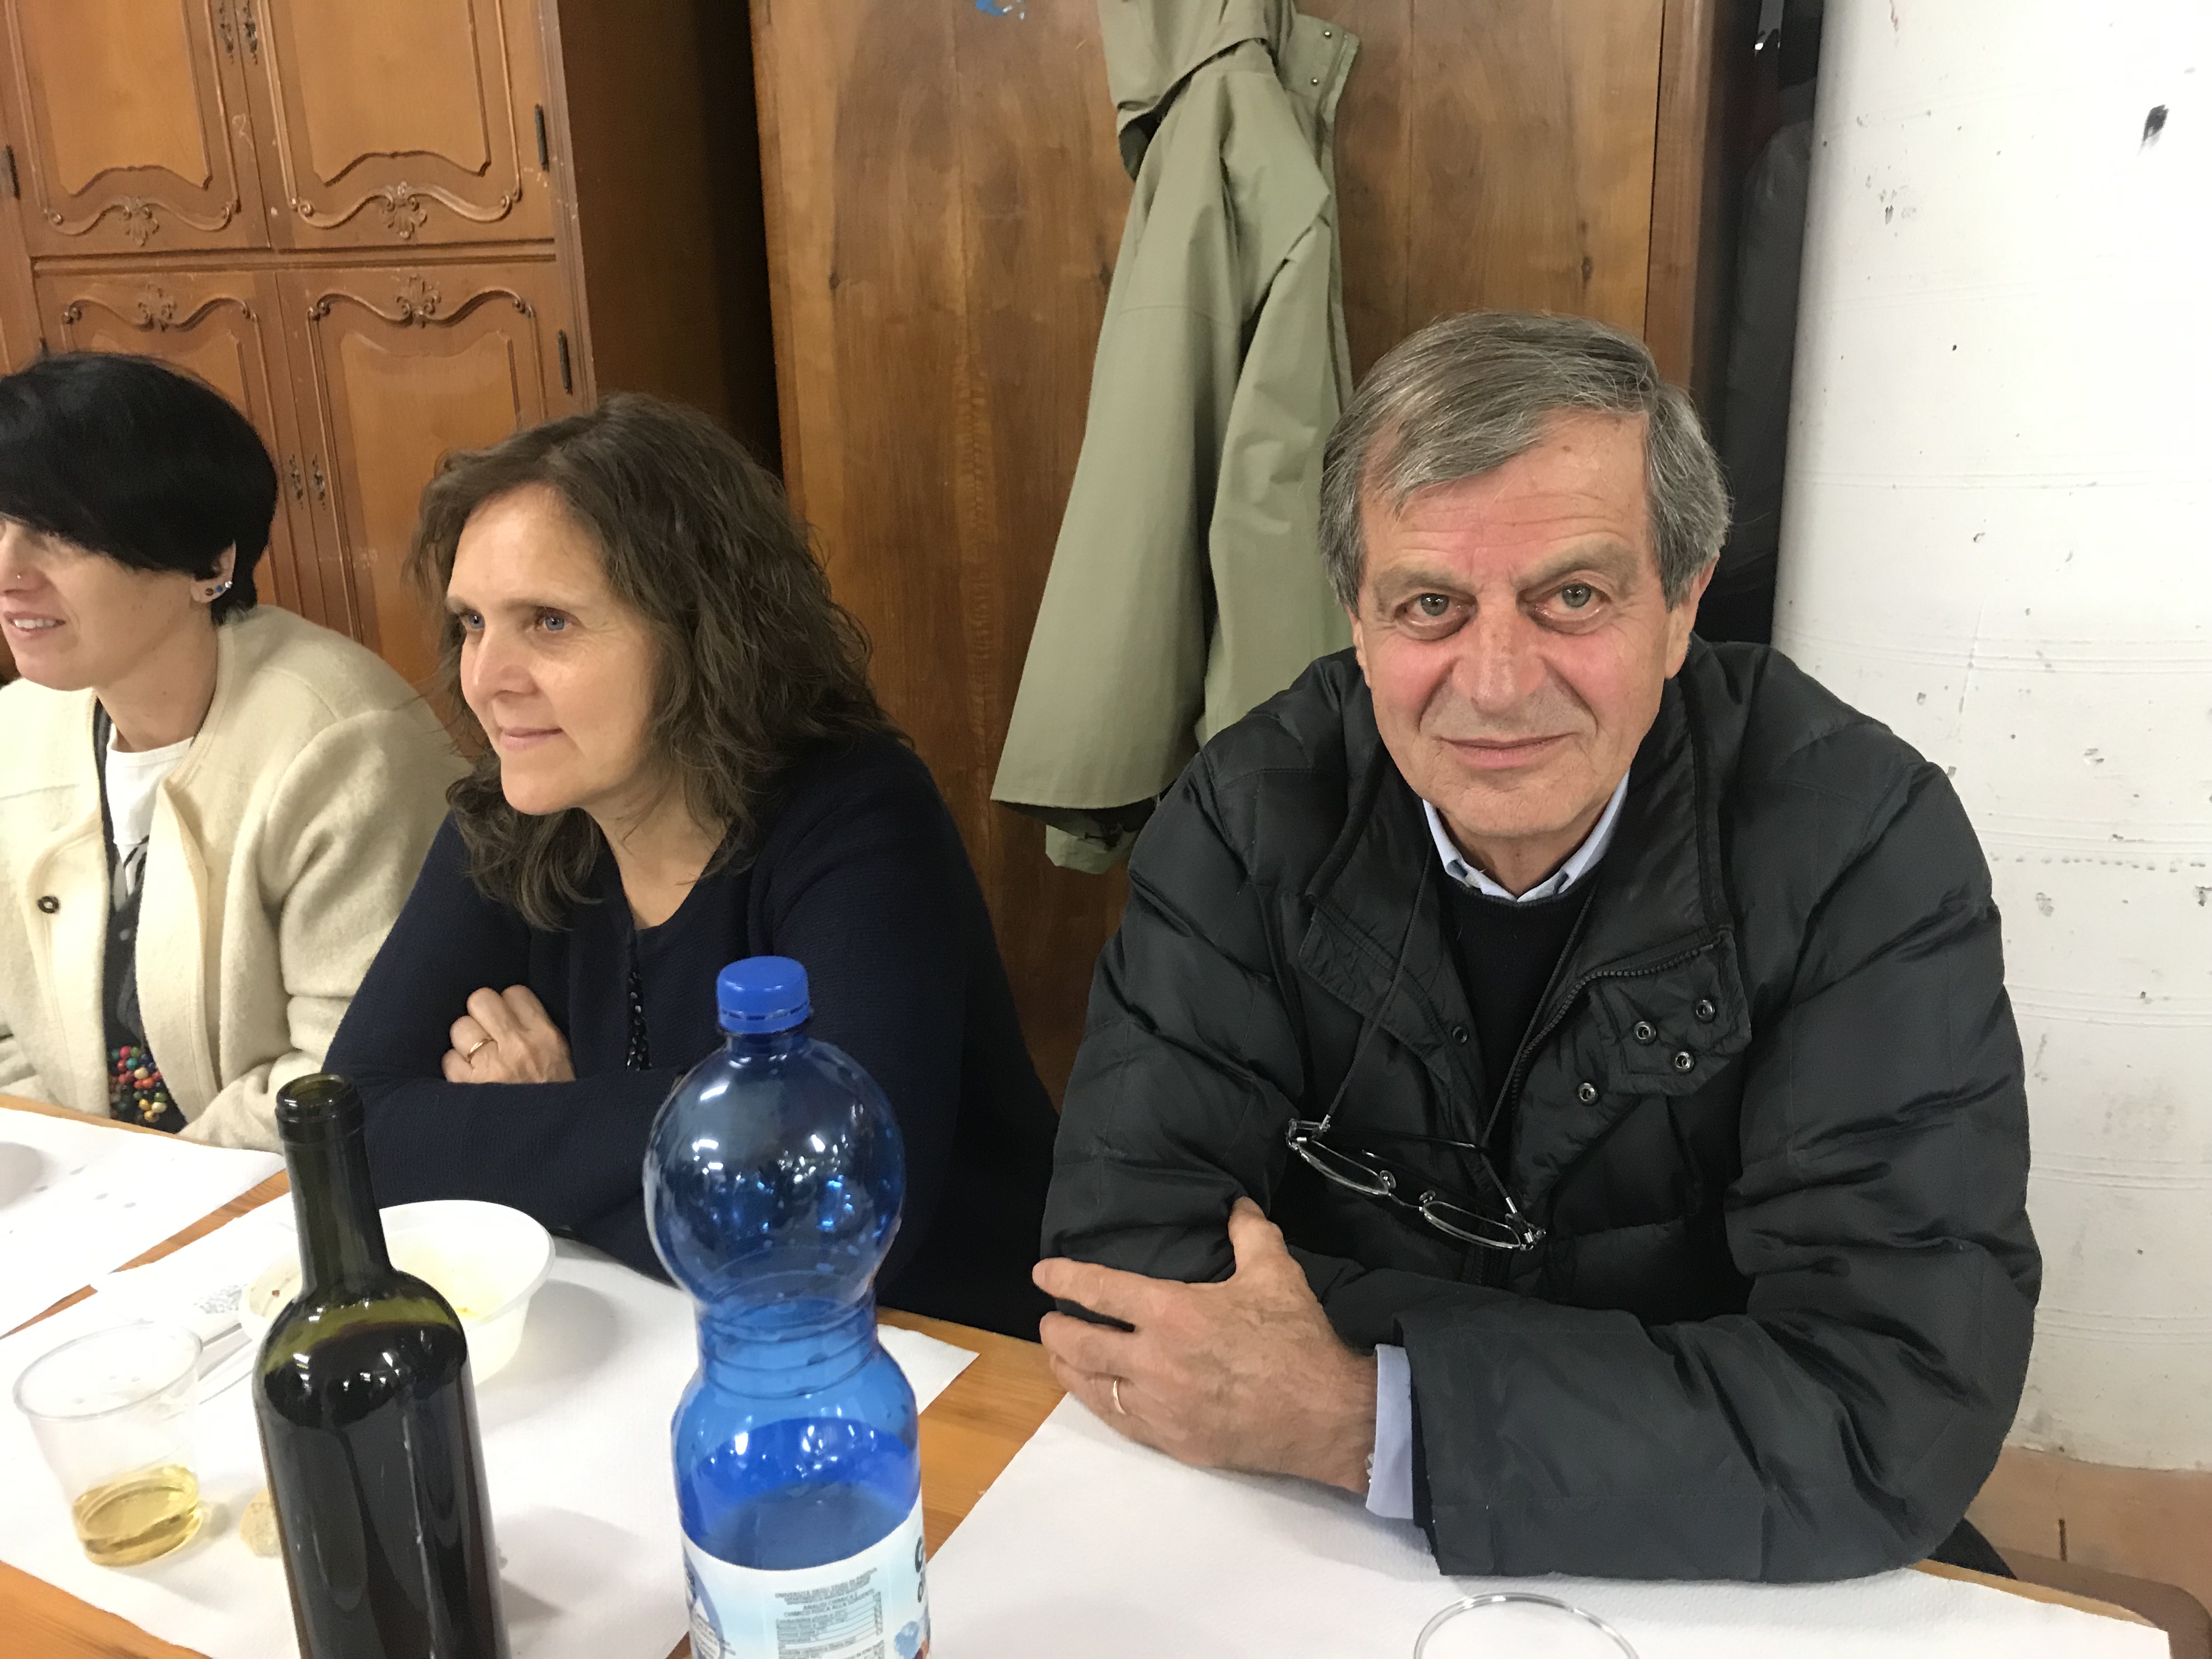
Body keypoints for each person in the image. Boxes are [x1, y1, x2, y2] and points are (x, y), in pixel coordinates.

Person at [1035, 312, 2039, 1581]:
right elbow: (1125, 1276)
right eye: (1431, 604)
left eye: (1573, 596)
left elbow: (1885, 1412)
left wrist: (1361, 1413)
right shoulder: (1248, 816)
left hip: (1721, 1581)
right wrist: (1655, 1395)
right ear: (1358, 620)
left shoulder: (1861, 843)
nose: (1499, 682)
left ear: (1681, 604)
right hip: (1338, 1549)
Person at [328, 395, 1058, 1338]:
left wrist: (542, 1123)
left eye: (549, 622)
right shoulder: (512, 815)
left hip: (936, 1358)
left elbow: (834, 1227)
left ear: (701, 633)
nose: (486, 678)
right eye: (472, 622)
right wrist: (711, 1142)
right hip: (643, 1330)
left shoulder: (857, 813)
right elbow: (350, 1132)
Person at [0, 352, 460, 1147]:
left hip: (286, 1191)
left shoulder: (345, 747)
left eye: (59, 534)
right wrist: (66, 1161)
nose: (10, 571)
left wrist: (153, 1189)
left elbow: (342, 1071)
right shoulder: (18, 728)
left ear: (210, 563)